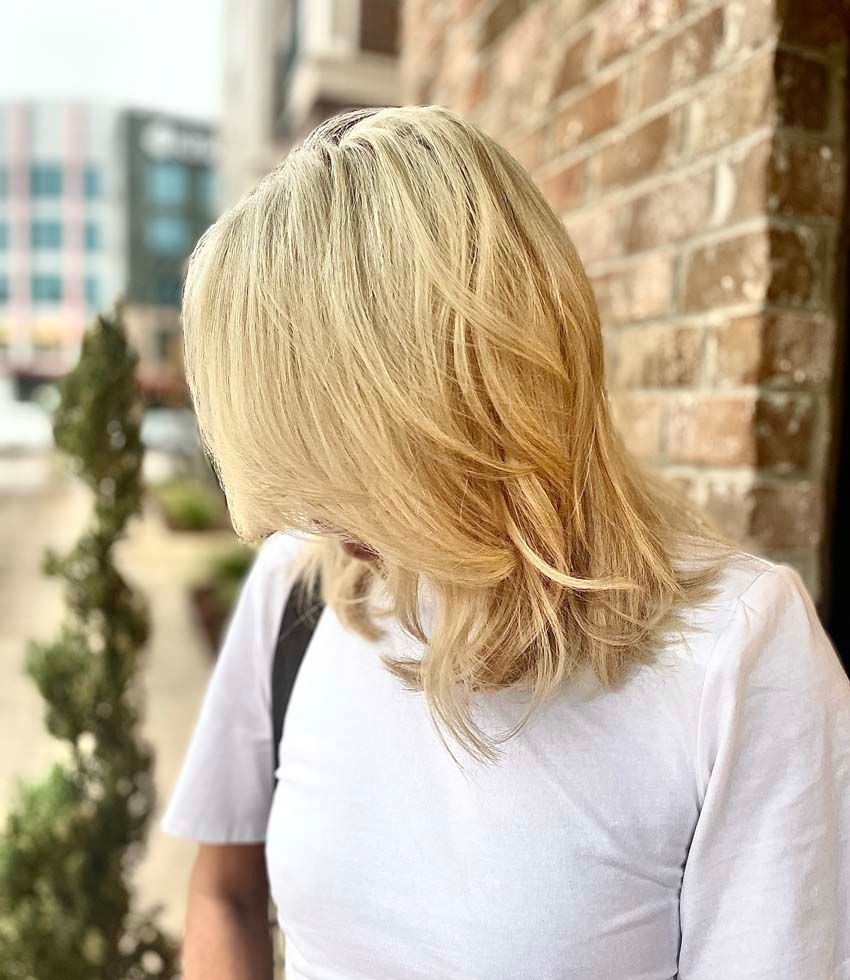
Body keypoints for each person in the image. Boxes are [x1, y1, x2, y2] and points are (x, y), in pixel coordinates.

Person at [162, 106, 850, 980]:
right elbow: (224, 892)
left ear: (480, 392)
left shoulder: (740, 653)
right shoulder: (300, 586)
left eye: (345, 461)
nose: (321, 514)